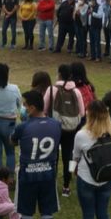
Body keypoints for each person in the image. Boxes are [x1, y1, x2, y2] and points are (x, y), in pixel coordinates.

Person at [12, 90, 63, 219]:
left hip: (28, 176)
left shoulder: (23, 127)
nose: (23, 108)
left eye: (25, 105)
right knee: (47, 213)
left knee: (26, 213)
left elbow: (12, 141)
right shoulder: (55, 124)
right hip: (48, 174)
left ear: (32, 108)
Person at [71, 100, 111, 219]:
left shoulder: (81, 135)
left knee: (88, 215)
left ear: (89, 115)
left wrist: (71, 171)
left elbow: (75, 157)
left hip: (86, 179)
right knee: (103, 214)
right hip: (106, 179)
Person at [44, 64, 85, 198]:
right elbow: (82, 112)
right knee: (69, 157)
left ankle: (51, 183)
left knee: (53, 156)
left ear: (59, 74)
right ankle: (66, 186)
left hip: (54, 127)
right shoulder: (77, 91)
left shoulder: (52, 89)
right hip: (71, 129)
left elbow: (45, 109)